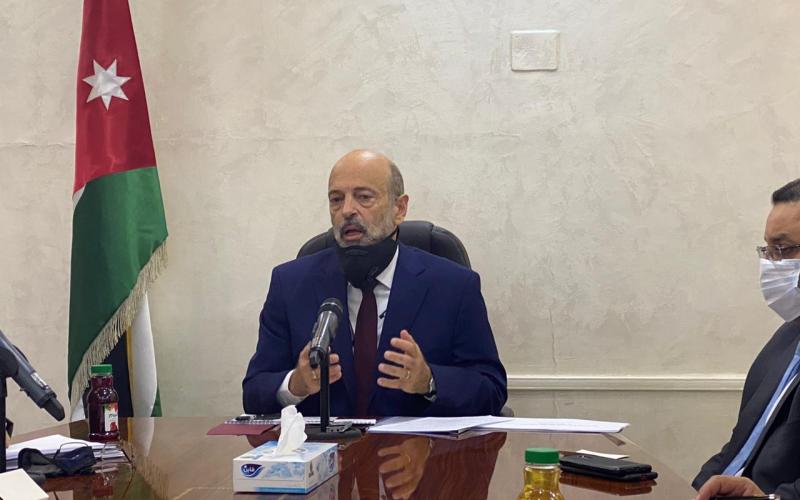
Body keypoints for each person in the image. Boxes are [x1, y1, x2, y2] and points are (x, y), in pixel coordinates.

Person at [242, 149, 507, 417]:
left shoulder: (454, 286)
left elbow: (491, 390)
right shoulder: (290, 284)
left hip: (415, 444)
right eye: (336, 199)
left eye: (364, 197)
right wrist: (295, 385)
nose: (347, 210)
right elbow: (254, 392)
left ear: (399, 208)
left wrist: (428, 380)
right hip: (323, 443)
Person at [694, 179, 800, 500]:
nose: (771, 263)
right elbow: (739, 447)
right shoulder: (787, 337)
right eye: (767, 250)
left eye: (782, 248)